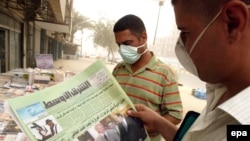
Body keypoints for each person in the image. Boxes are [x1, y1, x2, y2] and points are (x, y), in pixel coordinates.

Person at [127, 0, 250, 141]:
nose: (181, 47)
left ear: (232, 23)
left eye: (186, 32)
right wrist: (158, 122)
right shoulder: (221, 92)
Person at [112, 14, 183, 141]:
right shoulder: (118, 69)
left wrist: (148, 127)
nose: (122, 50)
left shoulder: (165, 74)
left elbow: (175, 115)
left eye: (127, 43)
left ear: (143, 37)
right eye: (119, 45)